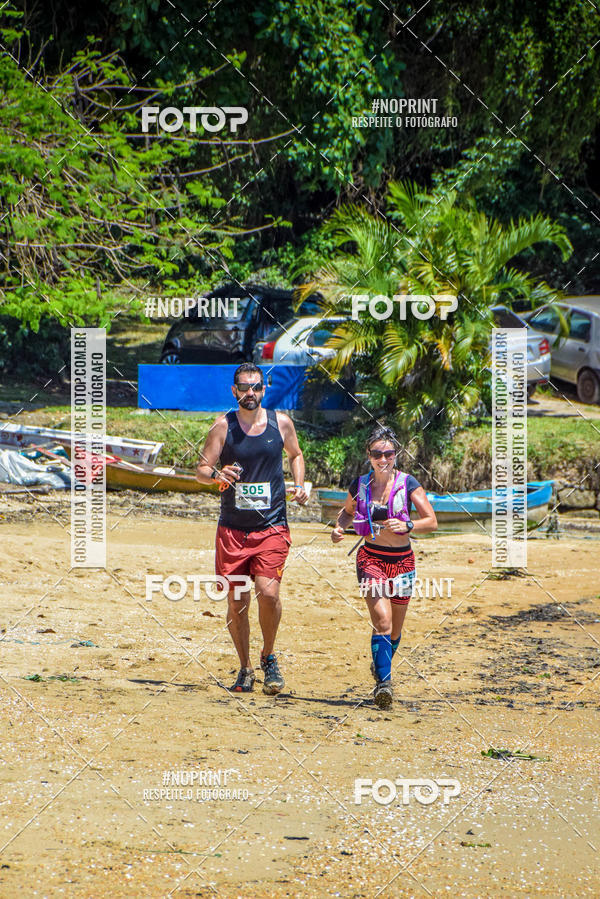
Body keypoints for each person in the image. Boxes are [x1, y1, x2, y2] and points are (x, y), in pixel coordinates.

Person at [196, 363, 308, 695]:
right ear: (234, 391)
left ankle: (268, 656)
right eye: (244, 388)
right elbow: (202, 468)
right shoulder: (223, 427)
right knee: (237, 603)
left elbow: (296, 455)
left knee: (269, 593)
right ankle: (245, 667)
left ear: (264, 389)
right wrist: (217, 475)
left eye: (256, 387)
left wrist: (299, 484)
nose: (250, 393)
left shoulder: (281, 423)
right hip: (232, 530)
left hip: (272, 526)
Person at [331, 425, 437, 709]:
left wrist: (408, 525)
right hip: (370, 559)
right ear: (369, 455)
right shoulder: (360, 485)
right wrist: (339, 528)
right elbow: (347, 512)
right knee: (382, 621)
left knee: (394, 632)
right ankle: (384, 685)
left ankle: (381, 666)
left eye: (388, 453)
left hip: (403, 562)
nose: (383, 459)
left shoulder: (408, 484)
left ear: (396, 455)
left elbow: (432, 521)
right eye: (377, 454)